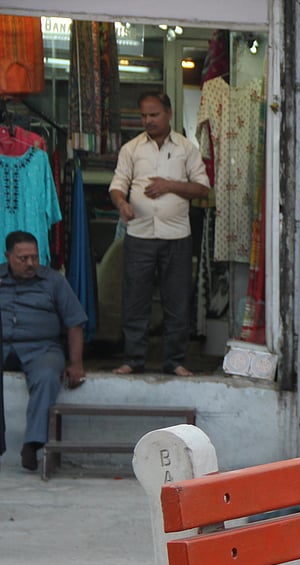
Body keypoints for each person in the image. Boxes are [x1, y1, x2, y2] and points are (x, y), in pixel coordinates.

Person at [109, 91, 211, 377]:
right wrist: (122, 203)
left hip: (176, 236)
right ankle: (133, 359)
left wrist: (169, 185)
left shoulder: (186, 148)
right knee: (135, 299)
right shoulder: (132, 149)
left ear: (168, 113)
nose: (148, 120)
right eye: (144, 115)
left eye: (154, 115)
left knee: (177, 300)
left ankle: (175, 361)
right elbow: (118, 184)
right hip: (139, 234)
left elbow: (202, 188)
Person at [1, 231, 88, 471]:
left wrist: (76, 363)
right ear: (8, 256)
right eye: (23, 258)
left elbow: (75, 323)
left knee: (48, 375)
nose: (30, 264)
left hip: (41, 348)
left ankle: (33, 443)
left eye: (34, 257)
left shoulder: (54, 281)